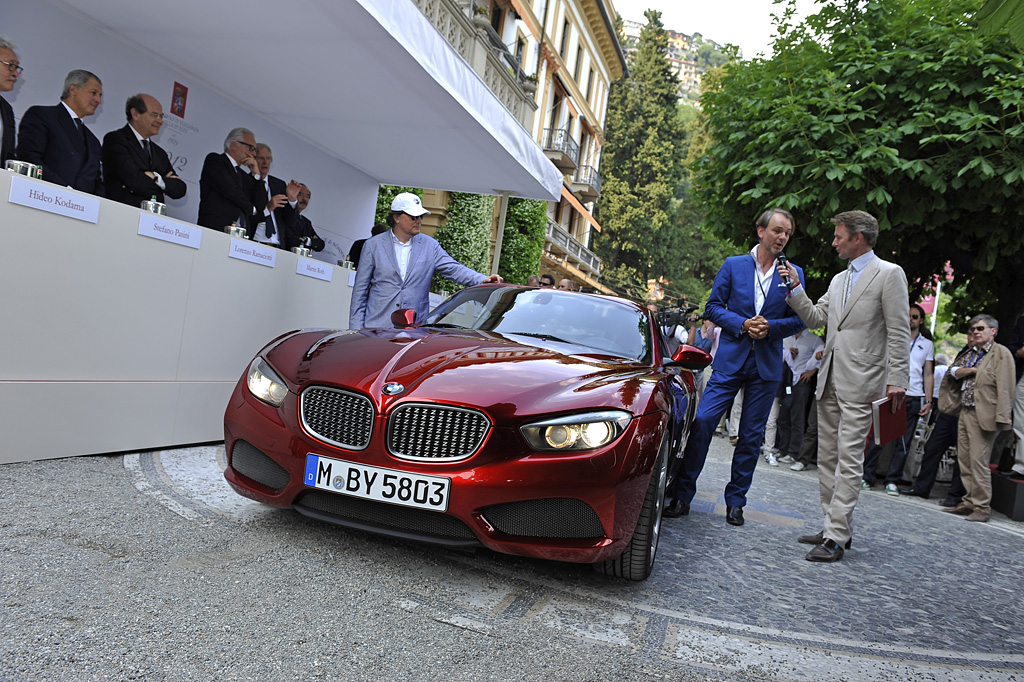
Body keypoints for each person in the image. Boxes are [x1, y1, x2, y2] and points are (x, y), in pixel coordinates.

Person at [781, 210, 910, 562]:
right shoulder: (839, 280)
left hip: (863, 381)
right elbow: (818, 319)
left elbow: (899, 330)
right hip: (829, 379)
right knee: (827, 458)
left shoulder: (889, 274)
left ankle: (837, 536)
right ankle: (832, 527)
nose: (833, 242)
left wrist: (898, 379)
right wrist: (795, 289)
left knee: (849, 460)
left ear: (859, 237)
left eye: (839, 236)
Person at [664, 208, 805, 526]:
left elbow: (799, 318)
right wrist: (742, 323)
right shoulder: (734, 265)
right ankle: (683, 495)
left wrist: (770, 327)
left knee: (751, 436)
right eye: (777, 230)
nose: (782, 237)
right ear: (761, 231)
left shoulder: (793, 273)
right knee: (702, 422)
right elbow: (712, 306)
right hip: (730, 359)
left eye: (787, 233)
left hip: (767, 365)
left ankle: (736, 502)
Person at [349, 192, 502, 329]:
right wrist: (356, 330)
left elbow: (454, 269)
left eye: (421, 216)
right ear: (396, 218)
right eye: (413, 217)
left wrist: (482, 279)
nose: (419, 221)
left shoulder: (430, 245)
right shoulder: (373, 245)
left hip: (414, 328)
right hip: (376, 327)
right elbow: (360, 292)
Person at [941, 315, 1015, 522]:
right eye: (972, 328)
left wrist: (1002, 416)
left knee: (978, 460)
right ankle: (969, 501)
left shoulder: (1001, 354)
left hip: (984, 413)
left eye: (980, 328)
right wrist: (970, 370)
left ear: (993, 331)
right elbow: (953, 371)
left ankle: (982, 507)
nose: (975, 331)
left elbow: (1006, 386)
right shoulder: (971, 352)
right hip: (965, 410)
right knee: (964, 460)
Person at [862, 303, 935, 493]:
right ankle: (867, 476)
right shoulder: (892, 338)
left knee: (904, 441)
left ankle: (892, 480)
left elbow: (928, 374)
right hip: (889, 393)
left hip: (914, 395)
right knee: (879, 437)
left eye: (915, 316)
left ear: (921, 321)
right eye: (908, 315)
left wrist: (928, 400)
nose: (911, 319)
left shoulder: (926, 344)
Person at [16, 69, 104, 196]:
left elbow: (96, 181)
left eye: (100, 96)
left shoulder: (94, 141)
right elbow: (30, 157)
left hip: (83, 209)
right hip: (43, 198)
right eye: (93, 93)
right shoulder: (42, 116)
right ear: (73, 89)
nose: (98, 100)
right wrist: (64, 191)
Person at [101, 94, 186, 208]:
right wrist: (164, 185)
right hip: (121, 214)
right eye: (154, 115)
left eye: (161, 116)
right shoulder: (116, 140)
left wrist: (156, 178)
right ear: (135, 114)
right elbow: (134, 181)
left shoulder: (159, 153)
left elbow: (180, 189)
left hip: (153, 220)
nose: (160, 121)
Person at [197, 127, 268, 235]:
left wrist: (256, 174)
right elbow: (230, 190)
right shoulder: (215, 161)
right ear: (234, 145)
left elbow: (261, 204)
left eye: (255, 150)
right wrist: (251, 209)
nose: (253, 154)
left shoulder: (244, 175)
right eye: (250, 148)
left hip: (241, 235)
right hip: (215, 231)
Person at [776, 329, 824, 469]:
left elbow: (822, 355)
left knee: (798, 419)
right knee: (783, 417)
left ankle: (794, 452)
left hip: (801, 382)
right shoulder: (786, 337)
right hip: (786, 381)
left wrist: (812, 371)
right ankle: (782, 449)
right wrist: (787, 354)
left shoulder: (814, 338)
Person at [252, 143, 301, 249]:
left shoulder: (279, 184)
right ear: (253, 159)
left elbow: (290, 222)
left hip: (277, 246)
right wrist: (268, 208)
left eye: (268, 158)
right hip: (254, 242)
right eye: (261, 158)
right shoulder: (247, 182)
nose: (265, 162)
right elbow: (248, 216)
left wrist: (292, 200)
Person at [1008, 313, 1024, 479]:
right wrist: (1020, 352)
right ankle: (1021, 466)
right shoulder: (1022, 322)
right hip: (1022, 377)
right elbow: (1011, 348)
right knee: (1020, 423)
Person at [0, 36, 20, 166]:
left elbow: (8, 155)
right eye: (11, 65)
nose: (16, 74)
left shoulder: (6, 109)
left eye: (17, 68)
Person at [293, 183, 325, 252]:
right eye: (300, 194)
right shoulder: (284, 215)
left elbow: (320, 245)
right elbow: (290, 240)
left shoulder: (306, 222)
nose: (304, 199)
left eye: (307, 196)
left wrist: (306, 240)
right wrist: (310, 242)